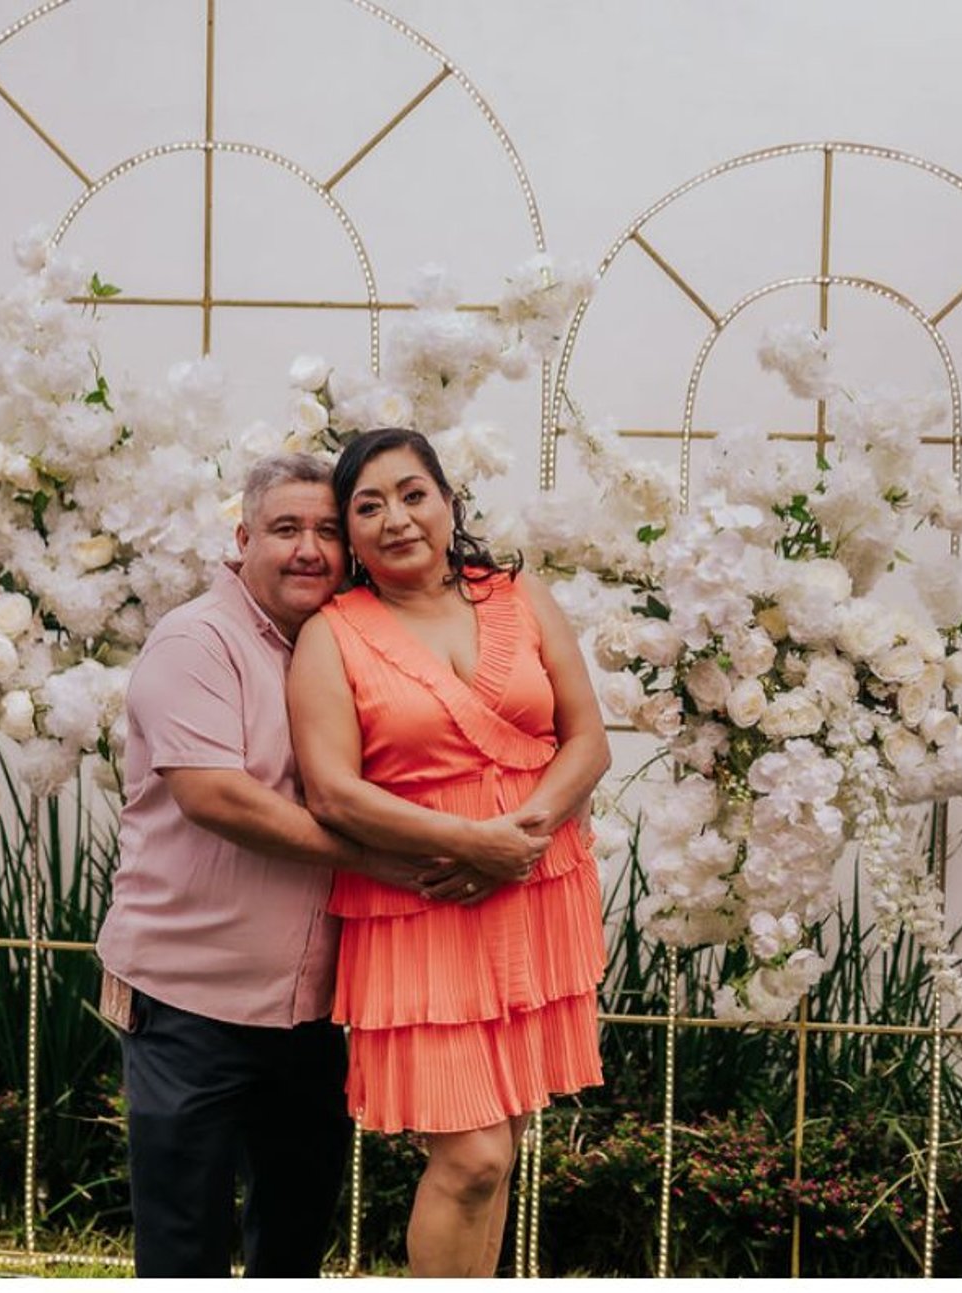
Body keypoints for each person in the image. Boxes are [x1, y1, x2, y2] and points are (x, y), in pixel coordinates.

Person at [94, 453, 498, 1278]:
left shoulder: (351, 641)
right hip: (188, 1002)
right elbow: (219, 798)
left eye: (325, 530)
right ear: (242, 540)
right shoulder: (198, 641)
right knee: (184, 1245)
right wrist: (381, 860)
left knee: (293, 1237)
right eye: (285, 529)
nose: (309, 548)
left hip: (309, 1010)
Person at [288, 427, 610, 1278]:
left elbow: (586, 741)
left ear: (447, 499)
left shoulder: (519, 595)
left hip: (534, 888)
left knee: (501, 1144)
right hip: (423, 903)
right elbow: (333, 791)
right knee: (471, 1156)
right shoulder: (333, 635)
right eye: (368, 506)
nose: (396, 518)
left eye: (411, 493)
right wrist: (475, 843)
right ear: (350, 536)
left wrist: (522, 840)